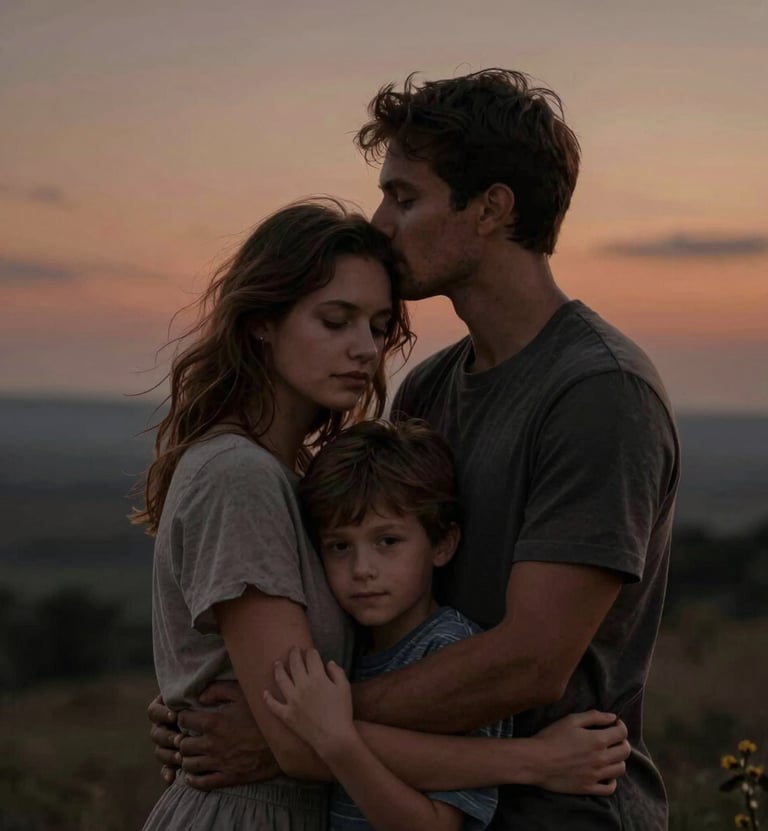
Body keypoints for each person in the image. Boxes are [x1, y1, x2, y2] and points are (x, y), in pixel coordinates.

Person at [149, 69, 679, 830]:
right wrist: (207, 697)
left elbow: (533, 658)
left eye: (405, 197)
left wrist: (293, 725)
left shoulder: (598, 392)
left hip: (560, 807)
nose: (382, 221)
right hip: (409, 797)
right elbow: (375, 601)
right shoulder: (427, 390)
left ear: (492, 208)